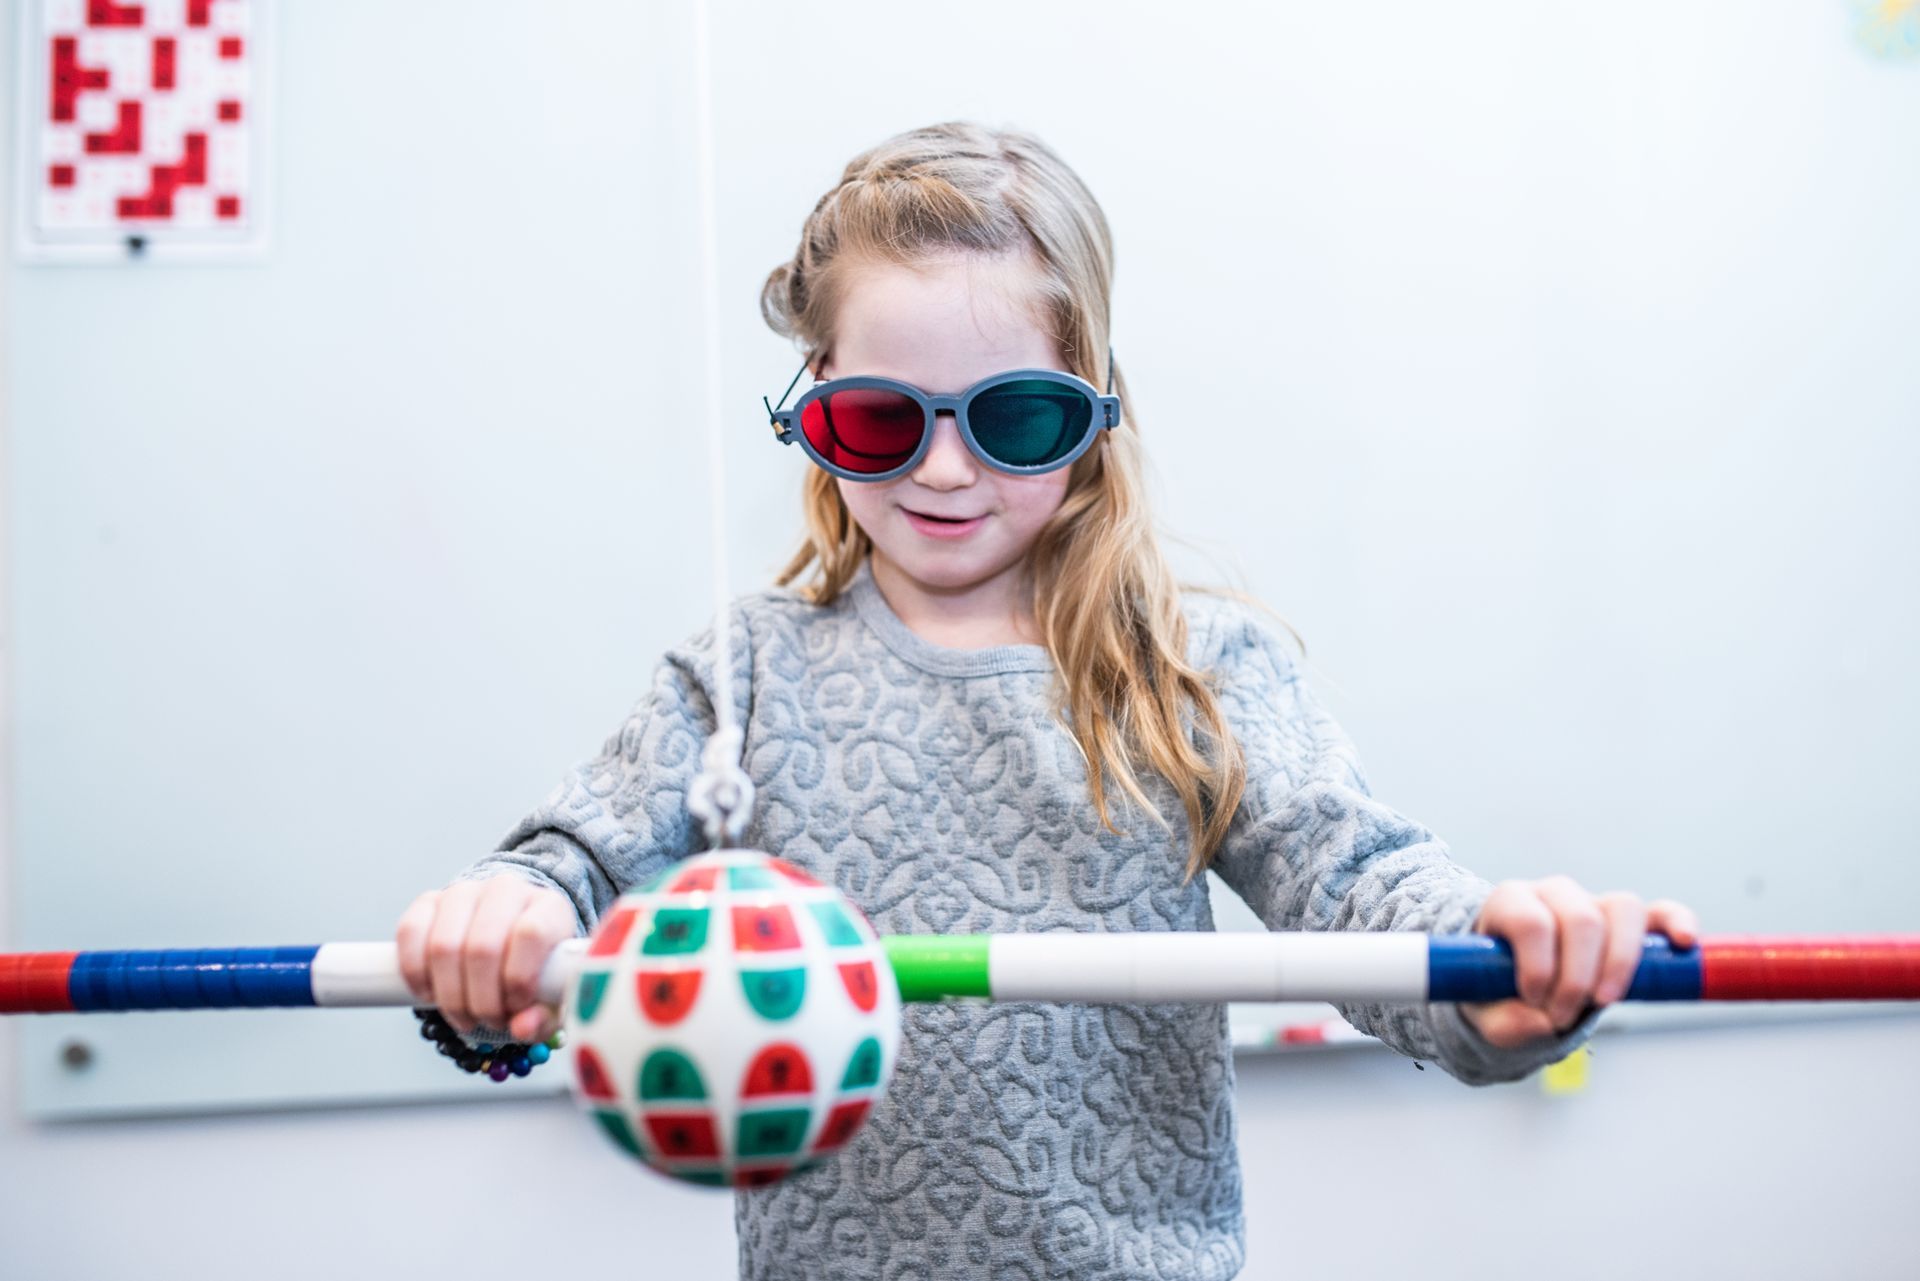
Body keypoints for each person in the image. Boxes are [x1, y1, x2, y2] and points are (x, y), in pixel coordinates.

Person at [395, 120, 1698, 1279]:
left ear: (1093, 417)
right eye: (879, 423)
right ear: (811, 419)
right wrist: (504, 925)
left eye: (1013, 417)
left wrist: (1492, 960)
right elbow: (563, 865)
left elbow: (1356, 886)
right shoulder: (745, 674)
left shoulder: (1193, 666)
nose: (947, 471)